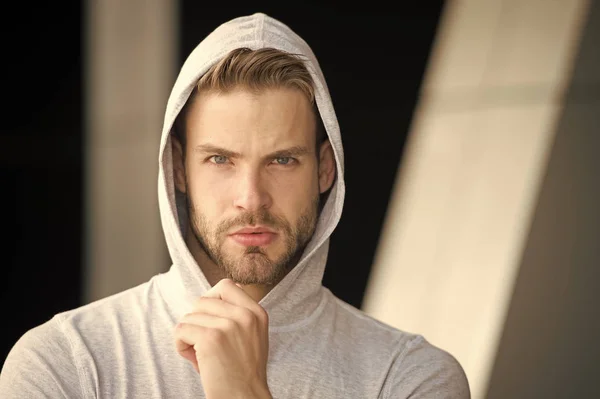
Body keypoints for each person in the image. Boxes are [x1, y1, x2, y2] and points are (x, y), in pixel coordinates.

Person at [0, 12, 470, 398]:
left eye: (283, 159)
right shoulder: (66, 364)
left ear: (326, 169)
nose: (251, 198)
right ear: (179, 169)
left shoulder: (410, 379)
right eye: (220, 159)